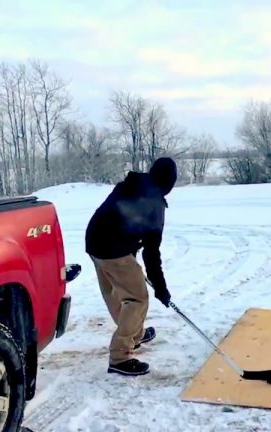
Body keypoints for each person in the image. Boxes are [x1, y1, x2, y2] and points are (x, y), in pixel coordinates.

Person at [85, 157, 177, 376]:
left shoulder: (133, 184)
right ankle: (120, 357)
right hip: (112, 249)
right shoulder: (154, 204)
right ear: (169, 183)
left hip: (94, 242)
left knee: (116, 292)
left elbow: (119, 219)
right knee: (137, 298)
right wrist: (160, 288)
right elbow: (151, 253)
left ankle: (134, 333)